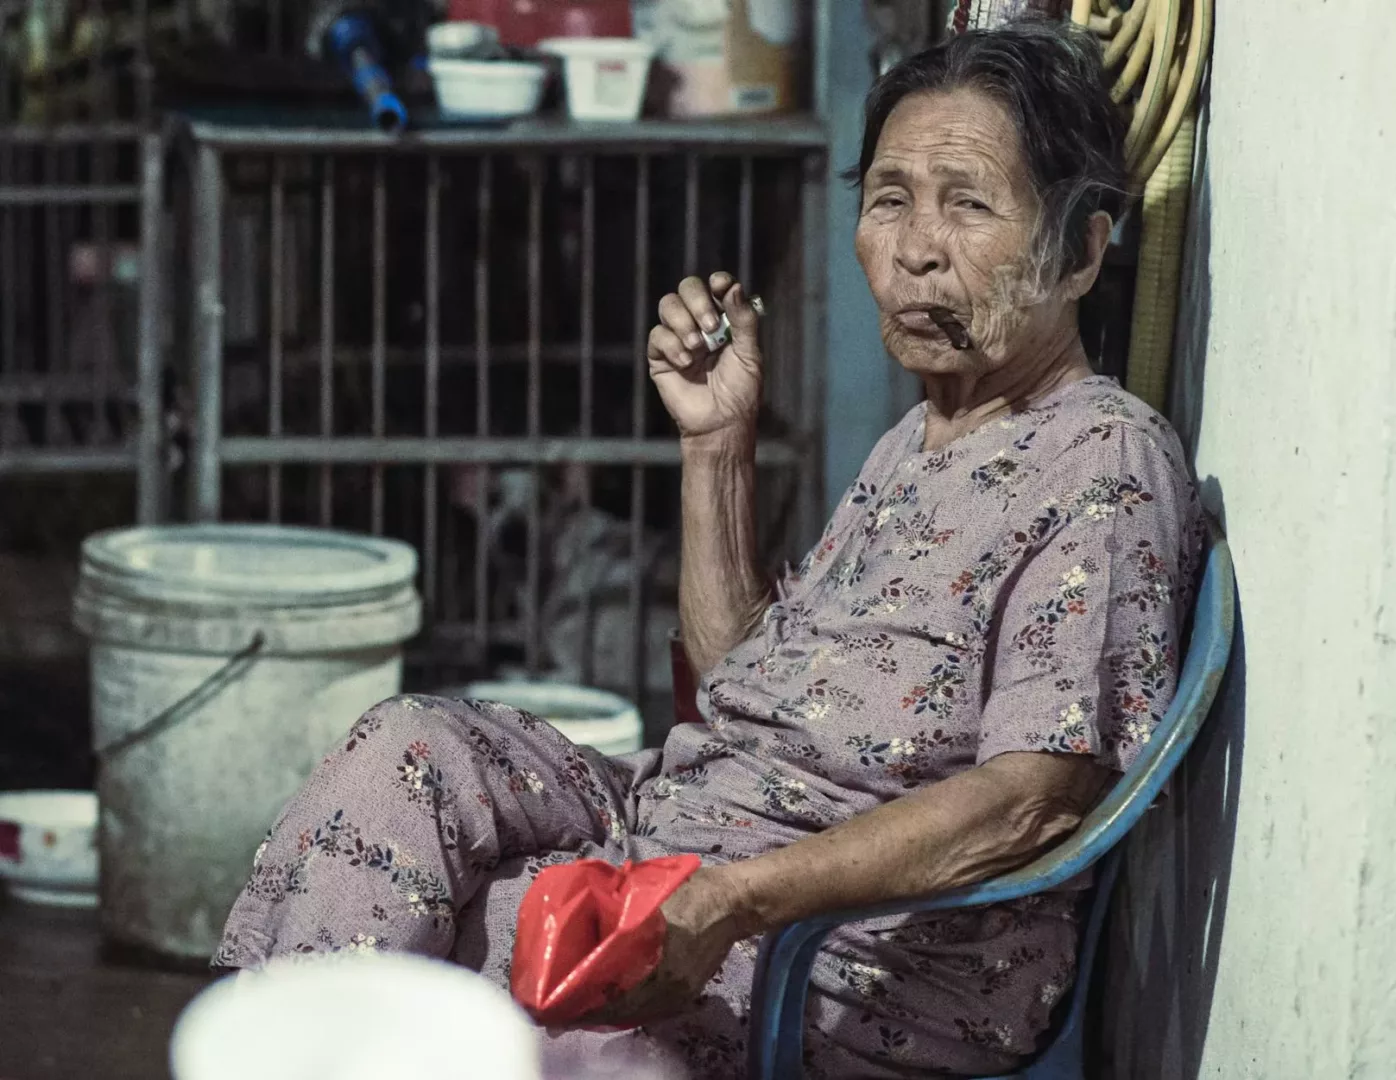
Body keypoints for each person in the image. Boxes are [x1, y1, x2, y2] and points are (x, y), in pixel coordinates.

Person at [214, 19, 1205, 1079]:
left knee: (419, 956)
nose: (917, 246)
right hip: (691, 833)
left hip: (857, 953)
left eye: (967, 204)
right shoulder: (921, 439)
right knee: (410, 751)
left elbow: (1034, 797)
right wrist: (716, 443)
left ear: (1085, 250)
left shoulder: (1101, 462)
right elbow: (741, 684)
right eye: (888, 200)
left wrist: (731, 901)